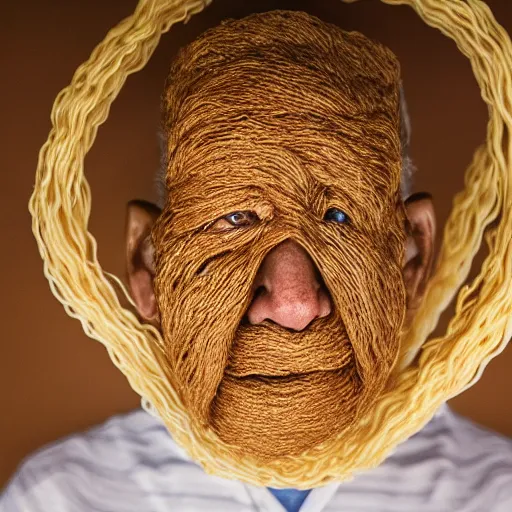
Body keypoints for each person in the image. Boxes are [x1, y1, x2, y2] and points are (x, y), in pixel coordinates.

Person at [3, 9, 512, 512]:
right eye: (235, 218)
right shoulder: (59, 499)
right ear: (150, 266)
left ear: (412, 259)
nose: (293, 305)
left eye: (338, 217)